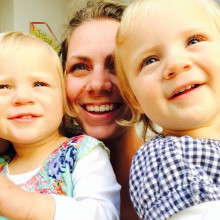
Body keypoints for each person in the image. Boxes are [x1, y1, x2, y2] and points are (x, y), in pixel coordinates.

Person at [114, 0, 220, 219]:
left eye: (194, 40)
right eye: (150, 60)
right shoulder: (165, 159)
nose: (175, 64)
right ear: (135, 99)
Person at [0, 31, 120, 220]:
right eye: (3, 87)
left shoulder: (82, 153)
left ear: (64, 100)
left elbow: (103, 214)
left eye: (39, 84)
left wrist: (22, 204)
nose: (22, 98)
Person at [59, 1, 144, 219]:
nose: (97, 84)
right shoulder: (21, 178)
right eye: (79, 67)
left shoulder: (184, 168)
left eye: (116, 64)